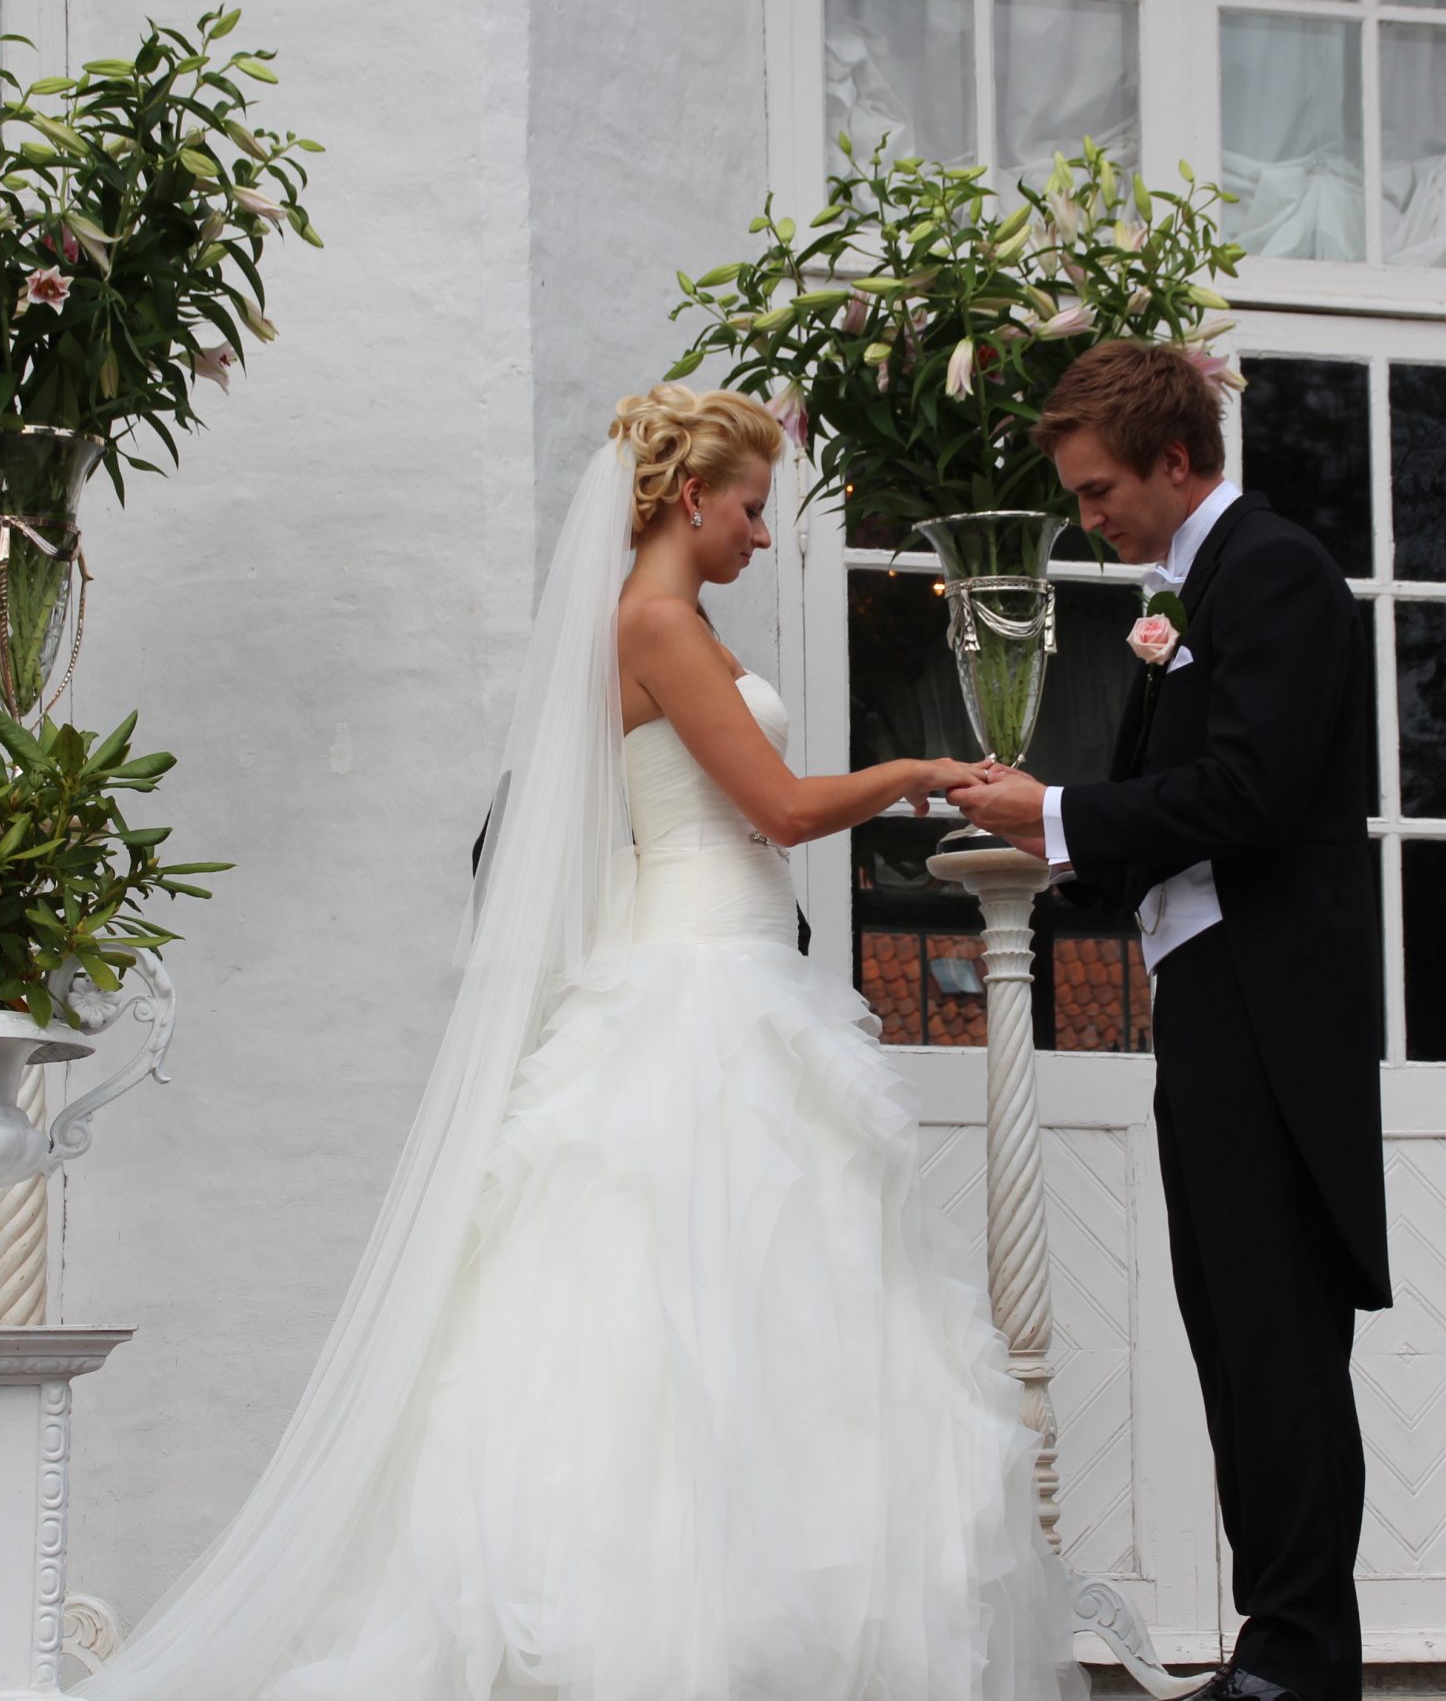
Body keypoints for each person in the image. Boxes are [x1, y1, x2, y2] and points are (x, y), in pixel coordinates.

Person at [76, 385, 1083, 1701]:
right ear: (688, 497)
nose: (761, 534)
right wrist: (919, 773)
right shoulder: (653, 622)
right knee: (683, 1307)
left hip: (733, 970)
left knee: (760, 1307)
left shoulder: (683, 623)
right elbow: (778, 811)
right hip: (701, 982)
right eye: (750, 507)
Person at [954, 340, 1386, 1701]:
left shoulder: (1272, 572)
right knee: (1232, 1327)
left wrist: (1058, 813)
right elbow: (1175, 800)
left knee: (1278, 1334)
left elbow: (1252, 791)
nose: (1089, 518)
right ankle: (1277, 1646)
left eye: (1097, 492)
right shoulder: (1190, 589)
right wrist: (1050, 835)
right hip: (1203, 989)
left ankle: (1300, 1659)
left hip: (1270, 1001)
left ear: (1178, 460)